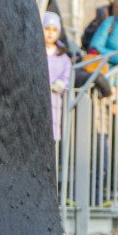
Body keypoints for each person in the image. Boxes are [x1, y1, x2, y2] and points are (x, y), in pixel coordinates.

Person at [44, 12, 72, 143]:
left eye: (54, 30)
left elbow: (67, 75)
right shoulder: (35, 52)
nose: (50, 33)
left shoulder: (63, 57)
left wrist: (61, 83)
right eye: (47, 29)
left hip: (55, 99)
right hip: (38, 97)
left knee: (53, 132)